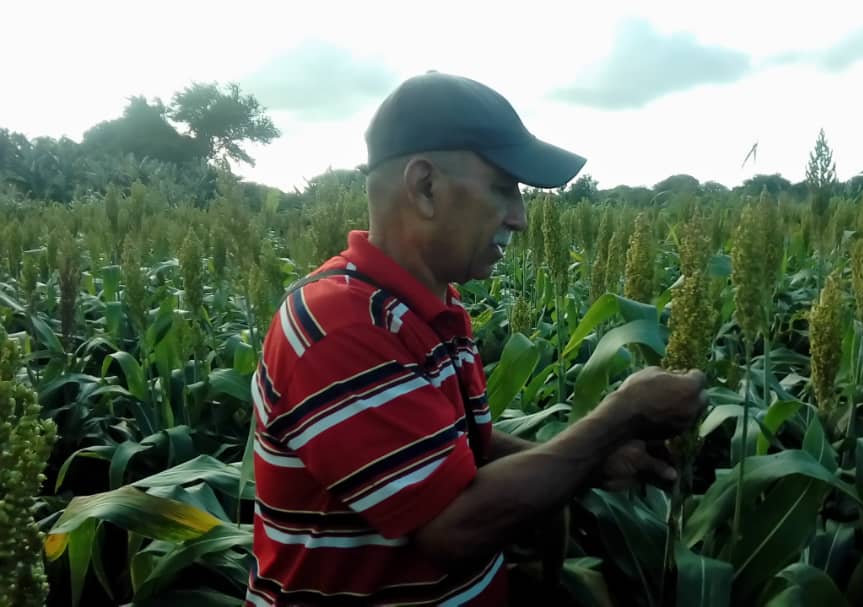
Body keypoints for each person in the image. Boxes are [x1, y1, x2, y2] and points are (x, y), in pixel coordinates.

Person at [244, 71, 708, 607]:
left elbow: (459, 448)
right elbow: (451, 528)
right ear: (425, 187)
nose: (521, 218)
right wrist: (618, 418)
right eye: (503, 188)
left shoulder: (429, 305)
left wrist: (590, 459)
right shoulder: (340, 326)